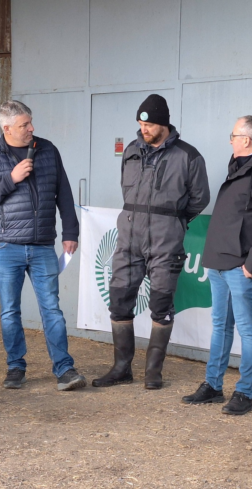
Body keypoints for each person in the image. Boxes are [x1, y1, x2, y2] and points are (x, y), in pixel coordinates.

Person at [93, 94, 210, 390]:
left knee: (161, 304)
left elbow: (200, 199)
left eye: (149, 124)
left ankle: (153, 372)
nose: (143, 129)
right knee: (119, 301)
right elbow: (126, 190)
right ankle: (121, 368)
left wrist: (172, 221)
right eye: (140, 123)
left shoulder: (188, 156)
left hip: (165, 242)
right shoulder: (132, 151)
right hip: (129, 240)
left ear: (164, 123)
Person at [0, 100, 87, 392]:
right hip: (6, 247)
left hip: (43, 246)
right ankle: (15, 367)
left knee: (52, 310)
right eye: (24, 125)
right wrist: (10, 178)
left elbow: (64, 191)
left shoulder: (48, 150)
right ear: (6, 128)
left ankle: (64, 369)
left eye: (31, 122)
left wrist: (70, 231)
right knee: (10, 311)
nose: (31, 128)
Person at [182, 116, 252, 415]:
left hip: (241, 266)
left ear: (246, 140)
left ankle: (244, 392)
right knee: (220, 326)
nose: (230, 140)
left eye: (233, 135)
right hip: (219, 261)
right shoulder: (240, 166)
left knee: (248, 330)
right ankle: (213, 386)